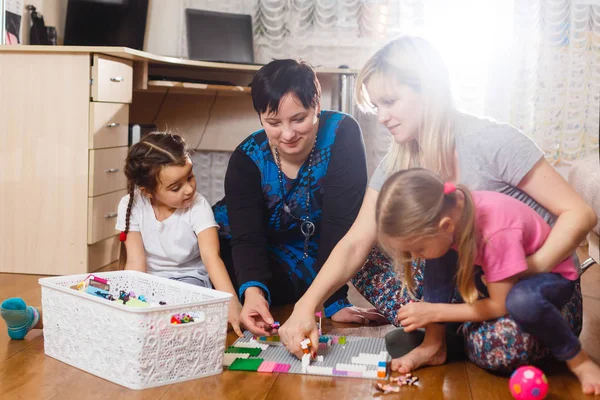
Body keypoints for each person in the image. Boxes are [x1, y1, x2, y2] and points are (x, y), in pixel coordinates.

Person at [279, 35, 596, 373]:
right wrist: (305, 306)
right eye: (377, 107)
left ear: (428, 89)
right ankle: (442, 335)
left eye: (390, 101)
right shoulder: (398, 160)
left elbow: (580, 214)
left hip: (535, 292)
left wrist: (530, 265)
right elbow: (356, 241)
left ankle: (455, 331)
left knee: (503, 345)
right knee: (372, 253)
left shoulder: (492, 141)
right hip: (472, 283)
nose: (382, 117)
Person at [375, 168, 600, 395]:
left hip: (550, 278)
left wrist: (434, 312)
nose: (415, 257)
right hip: (503, 275)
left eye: (417, 249)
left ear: (445, 225)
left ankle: (578, 360)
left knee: (521, 302)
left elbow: (499, 305)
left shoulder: (495, 233)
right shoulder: (456, 213)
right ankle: (433, 345)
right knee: (438, 254)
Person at [1, 132, 244, 339]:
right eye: (176, 186)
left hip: (188, 282)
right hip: (147, 281)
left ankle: (134, 324)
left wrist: (232, 305)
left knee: (172, 311)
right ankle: (36, 317)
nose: (189, 188)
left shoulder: (198, 207)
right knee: (92, 289)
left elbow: (212, 259)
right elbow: (136, 264)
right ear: (148, 191)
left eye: (190, 177)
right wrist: (126, 297)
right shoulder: (131, 204)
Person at [212, 59, 386, 337]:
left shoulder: (342, 133)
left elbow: (341, 223)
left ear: (317, 105)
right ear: (260, 117)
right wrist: (253, 293)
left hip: (313, 254)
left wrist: (333, 300)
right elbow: (247, 238)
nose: (288, 134)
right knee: (216, 269)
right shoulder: (247, 157)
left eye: (299, 119)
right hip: (256, 250)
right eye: (273, 123)